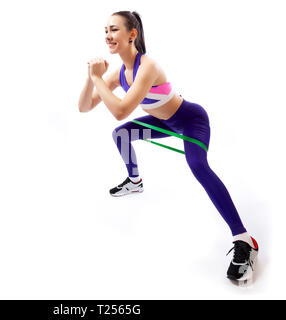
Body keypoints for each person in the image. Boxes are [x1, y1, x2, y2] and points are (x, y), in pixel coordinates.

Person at [78, 11, 258, 284]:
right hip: (163, 123)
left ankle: (244, 240)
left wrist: (99, 79)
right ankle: (135, 180)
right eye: (105, 30)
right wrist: (91, 77)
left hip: (190, 121)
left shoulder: (147, 66)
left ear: (132, 34)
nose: (107, 35)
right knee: (121, 135)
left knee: (198, 165)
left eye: (114, 29)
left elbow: (121, 110)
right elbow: (84, 107)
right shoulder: (118, 73)